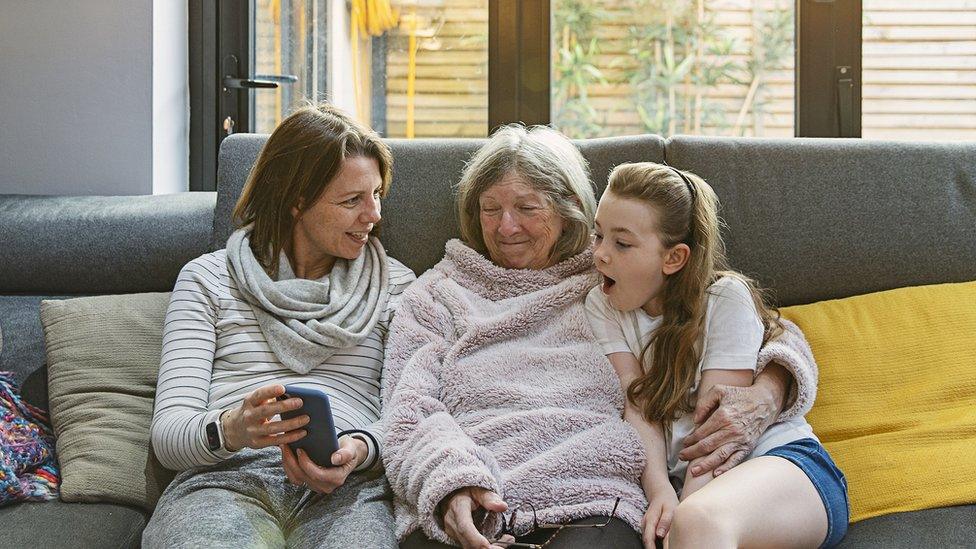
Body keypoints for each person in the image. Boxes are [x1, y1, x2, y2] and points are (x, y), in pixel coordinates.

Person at [381, 125, 821, 549]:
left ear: (570, 207)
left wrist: (771, 387)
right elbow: (408, 407)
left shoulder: (615, 274)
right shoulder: (437, 294)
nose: (505, 227)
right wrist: (449, 479)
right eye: (490, 209)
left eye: (527, 208)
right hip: (477, 487)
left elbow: (767, 328)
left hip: (592, 496)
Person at [143, 103, 415, 548]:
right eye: (352, 201)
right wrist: (233, 428)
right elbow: (169, 435)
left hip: (347, 489)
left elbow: (413, 418)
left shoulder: (398, 287)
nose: (374, 215)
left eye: (376, 195)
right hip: (221, 483)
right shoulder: (208, 279)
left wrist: (359, 451)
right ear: (296, 201)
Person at [586, 162, 849, 548]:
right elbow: (636, 402)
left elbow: (719, 423)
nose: (601, 255)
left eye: (622, 243)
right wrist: (659, 490)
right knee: (693, 521)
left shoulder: (725, 299)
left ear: (674, 258)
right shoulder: (602, 304)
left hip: (781, 468)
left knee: (696, 520)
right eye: (598, 235)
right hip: (698, 493)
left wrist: (688, 506)